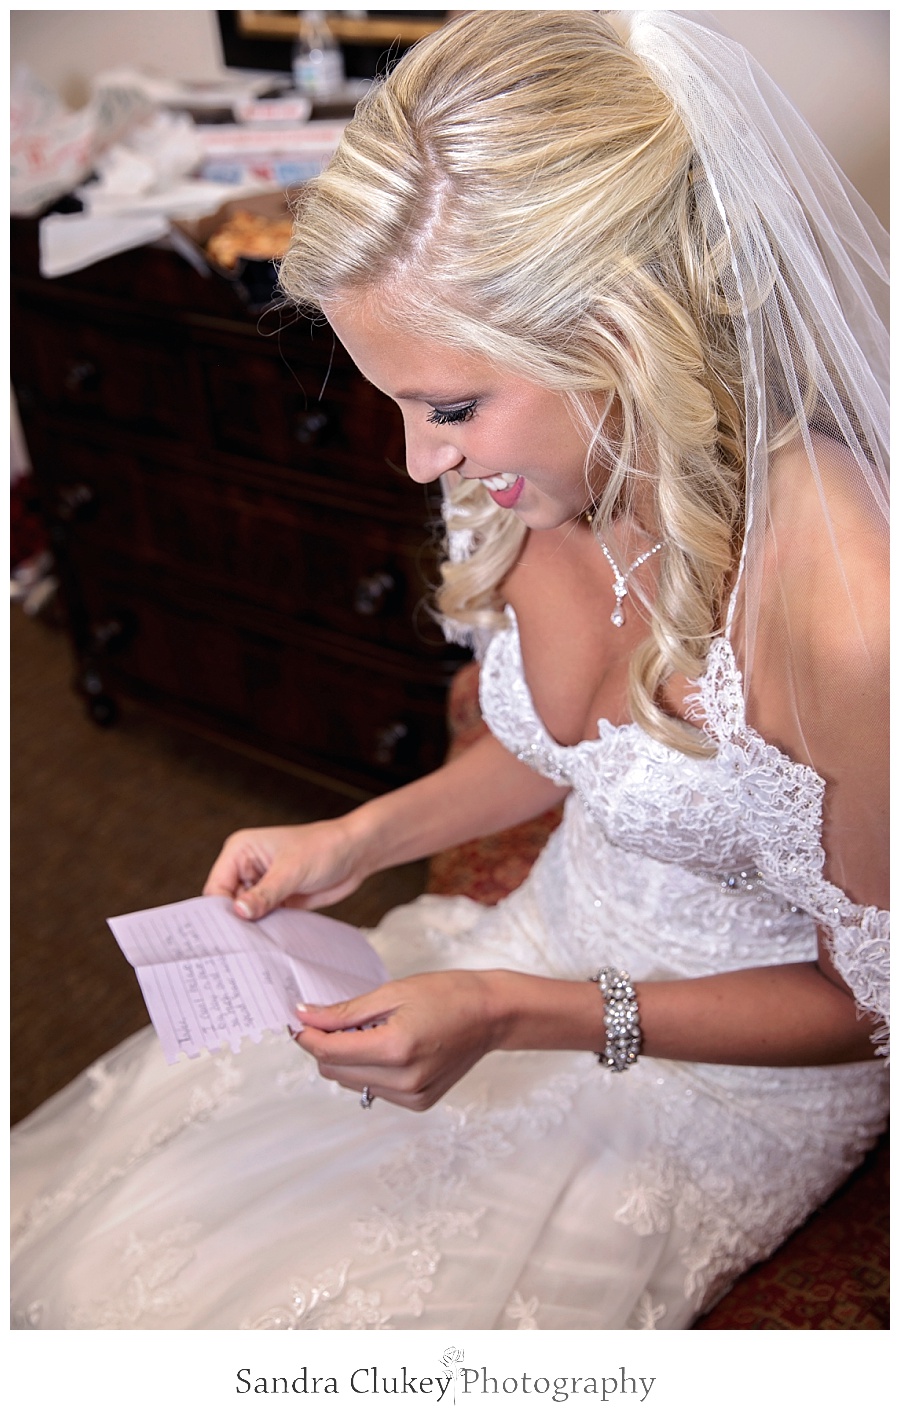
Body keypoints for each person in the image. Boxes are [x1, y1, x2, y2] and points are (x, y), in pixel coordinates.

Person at [11, 10, 888, 1331]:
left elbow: (867, 1008)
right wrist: (357, 835)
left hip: (720, 1069)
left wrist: (513, 1010)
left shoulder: (840, 609)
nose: (422, 463)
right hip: (531, 942)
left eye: (452, 407)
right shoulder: (535, 467)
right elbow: (566, 755)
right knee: (118, 1259)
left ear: (620, 335)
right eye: (400, 403)